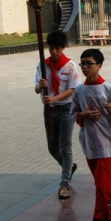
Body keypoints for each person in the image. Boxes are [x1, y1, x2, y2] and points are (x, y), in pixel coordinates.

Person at [70, 49, 111, 221]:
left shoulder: (108, 88)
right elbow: (74, 114)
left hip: (108, 143)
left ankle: (101, 215)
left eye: (89, 63)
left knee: (105, 183)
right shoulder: (79, 90)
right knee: (100, 181)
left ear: (99, 66)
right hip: (90, 141)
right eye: (83, 64)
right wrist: (83, 114)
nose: (85, 67)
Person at [33, 30, 81, 200]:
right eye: (51, 48)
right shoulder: (42, 65)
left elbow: (73, 89)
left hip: (65, 110)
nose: (54, 52)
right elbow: (36, 89)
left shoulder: (70, 66)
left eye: (57, 49)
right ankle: (68, 168)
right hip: (49, 111)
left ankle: (64, 184)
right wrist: (41, 85)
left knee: (65, 146)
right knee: (52, 147)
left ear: (63, 48)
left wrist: (54, 98)